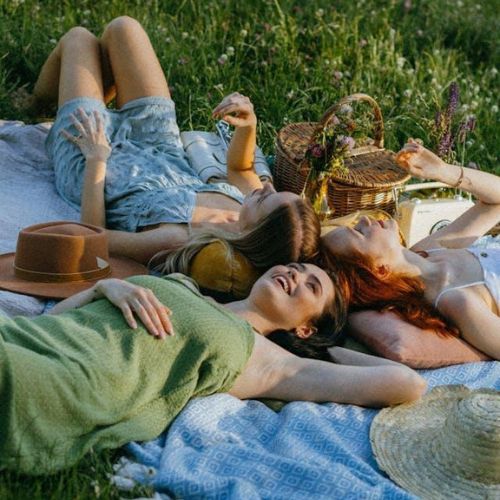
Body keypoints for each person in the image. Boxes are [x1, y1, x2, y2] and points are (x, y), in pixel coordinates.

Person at [0, 261, 426, 475]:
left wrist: (329, 348)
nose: (293, 275)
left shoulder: (271, 362)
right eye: (294, 267)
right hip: (39, 337)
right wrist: (103, 286)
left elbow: (406, 383)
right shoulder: (183, 284)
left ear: (305, 327)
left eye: (310, 285)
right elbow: (49, 322)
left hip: (77, 379)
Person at [33, 16, 321, 272]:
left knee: (79, 39)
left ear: (255, 231)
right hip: (159, 143)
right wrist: (249, 124)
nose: (267, 185)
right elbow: (240, 167)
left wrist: (96, 159)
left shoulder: (180, 238)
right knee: (124, 28)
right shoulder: (244, 204)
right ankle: (85, 91)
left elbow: (93, 238)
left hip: (100, 163)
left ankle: (39, 105)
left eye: (267, 198)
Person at [322, 140, 500, 360]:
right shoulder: (456, 301)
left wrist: (443, 172)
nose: (365, 221)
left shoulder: (426, 252)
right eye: (359, 233)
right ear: (380, 270)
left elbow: (496, 203)